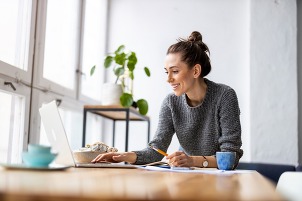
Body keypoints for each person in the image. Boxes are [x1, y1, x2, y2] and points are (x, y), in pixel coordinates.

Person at [92, 31, 243, 168]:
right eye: (167, 72)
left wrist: (192, 160)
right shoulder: (171, 102)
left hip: (220, 180)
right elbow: (156, 150)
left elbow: (230, 158)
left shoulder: (225, 96)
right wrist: (125, 156)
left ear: (196, 71)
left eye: (175, 71)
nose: (169, 79)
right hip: (187, 174)